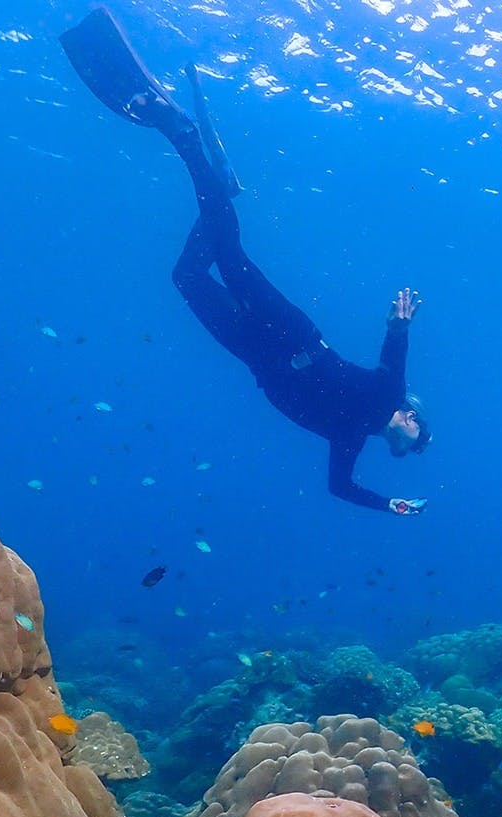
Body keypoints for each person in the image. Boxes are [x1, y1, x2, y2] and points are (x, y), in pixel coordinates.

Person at [60, 8, 429, 514]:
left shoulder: (351, 438)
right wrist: (399, 323)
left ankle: (221, 190)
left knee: (185, 276)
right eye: (416, 432)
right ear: (409, 418)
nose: (410, 438)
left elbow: (338, 488)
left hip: (254, 356)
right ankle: (183, 137)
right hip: (290, 332)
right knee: (229, 255)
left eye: (412, 443)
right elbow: (395, 352)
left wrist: (388, 504)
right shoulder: (393, 391)